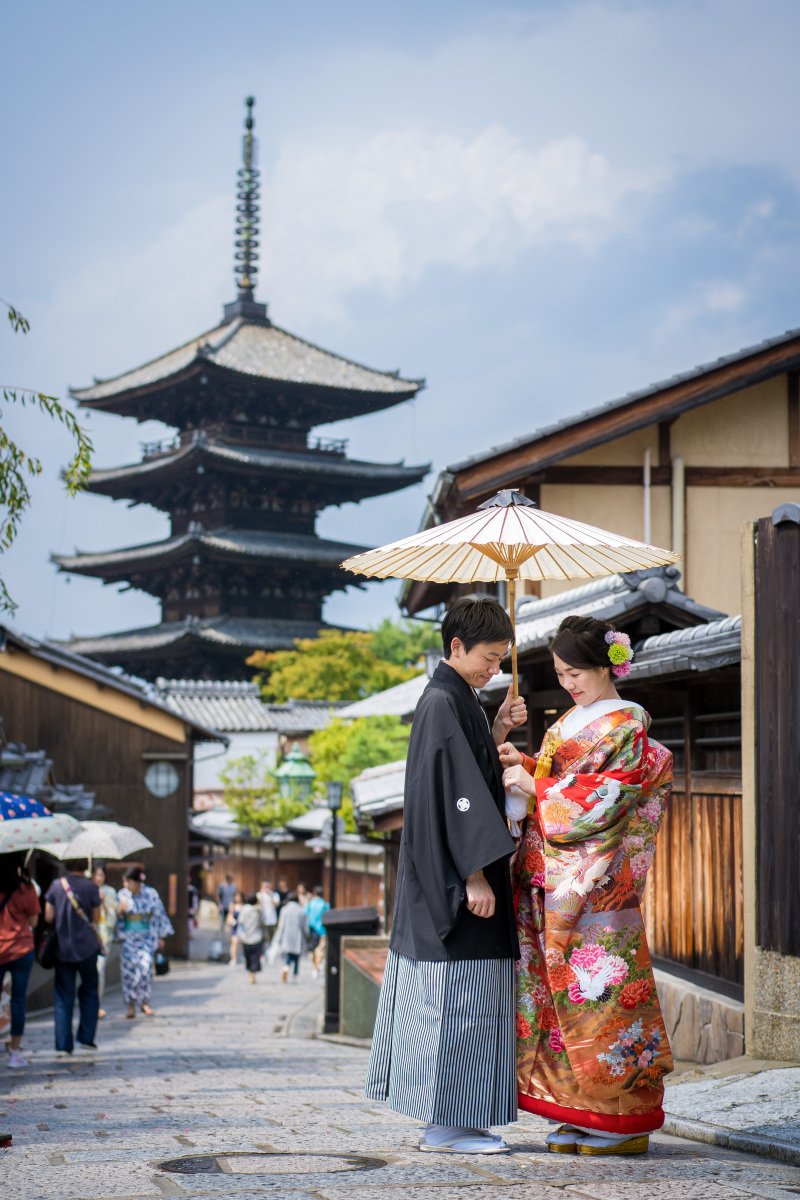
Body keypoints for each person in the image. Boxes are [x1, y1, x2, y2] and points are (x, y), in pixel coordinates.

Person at [499, 615, 674, 1157]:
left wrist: (537, 787)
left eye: (576, 672)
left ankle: (623, 1119)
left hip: (595, 883)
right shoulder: (565, 724)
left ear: (606, 667)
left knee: (602, 993)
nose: (568, 683)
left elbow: (611, 796)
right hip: (549, 877)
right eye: (560, 674)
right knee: (554, 996)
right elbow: (559, 779)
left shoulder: (627, 723)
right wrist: (525, 764)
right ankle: (576, 1109)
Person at [365, 597, 527, 1154]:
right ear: (456, 646)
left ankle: (459, 1120)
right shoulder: (441, 701)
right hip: (456, 883)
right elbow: (456, 796)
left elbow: (471, 772)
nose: (495, 669)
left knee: (468, 1003)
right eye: (488, 657)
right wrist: (474, 874)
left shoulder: (457, 698)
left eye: (501, 659)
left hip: (453, 873)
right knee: (459, 1004)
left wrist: (497, 723)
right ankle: (446, 1125)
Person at [44, 860, 102, 1055]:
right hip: (87, 948)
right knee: (90, 991)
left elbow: (48, 917)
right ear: (85, 864)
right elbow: (96, 918)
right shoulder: (92, 887)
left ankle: (63, 1044)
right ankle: (86, 1038)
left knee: (63, 996)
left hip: (63, 948)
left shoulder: (56, 886)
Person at [0, 853, 41, 1067]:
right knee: (17, 1002)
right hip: (22, 950)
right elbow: (34, 921)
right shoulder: (27, 888)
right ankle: (14, 1054)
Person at [117, 867, 174, 1018]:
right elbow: (115, 917)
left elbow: (159, 915)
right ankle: (130, 1004)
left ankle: (144, 1002)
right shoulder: (122, 895)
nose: (126, 885)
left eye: (128, 882)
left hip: (146, 938)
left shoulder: (150, 894)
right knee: (128, 972)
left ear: (136, 881)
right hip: (129, 938)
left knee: (145, 969)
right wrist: (119, 910)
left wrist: (161, 936)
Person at [91, 865, 117, 1020]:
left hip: (103, 934)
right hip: (89, 935)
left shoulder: (110, 892)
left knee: (99, 970)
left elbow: (112, 918)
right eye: (96, 875)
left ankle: (97, 1004)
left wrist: (103, 903)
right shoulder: (88, 889)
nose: (99, 878)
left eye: (101, 875)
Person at [273, 891, 307, 982]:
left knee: (288, 956)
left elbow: (281, 926)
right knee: (296, 958)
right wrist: (307, 934)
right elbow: (304, 925)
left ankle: (286, 968)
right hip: (297, 935)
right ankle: (295, 976)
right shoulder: (300, 910)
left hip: (286, 936)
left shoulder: (284, 909)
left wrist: (278, 938)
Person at [238, 893, 266, 983]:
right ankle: (253, 975)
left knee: (248, 957)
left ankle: (250, 974)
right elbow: (262, 921)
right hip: (256, 937)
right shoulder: (259, 910)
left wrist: (241, 935)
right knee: (255, 957)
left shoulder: (244, 909)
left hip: (246, 937)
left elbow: (240, 922)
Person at [304, 885, 329, 976]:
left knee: (312, 950)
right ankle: (317, 966)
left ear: (314, 893)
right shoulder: (324, 904)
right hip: (322, 930)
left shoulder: (311, 903)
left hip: (312, 929)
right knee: (320, 949)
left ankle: (316, 967)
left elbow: (305, 912)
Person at [226, 891, 244, 965]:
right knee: (234, 942)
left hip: (242, 926)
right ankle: (233, 958)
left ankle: (244, 956)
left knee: (243, 943)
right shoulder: (232, 905)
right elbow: (229, 915)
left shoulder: (244, 906)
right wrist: (231, 920)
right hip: (235, 926)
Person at [257, 880, 278, 945]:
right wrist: (261, 893)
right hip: (262, 919)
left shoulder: (274, 894)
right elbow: (258, 905)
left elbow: (276, 904)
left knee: (272, 936)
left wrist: (270, 895)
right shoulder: (259, 894)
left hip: (272, 919)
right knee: (263, 937)